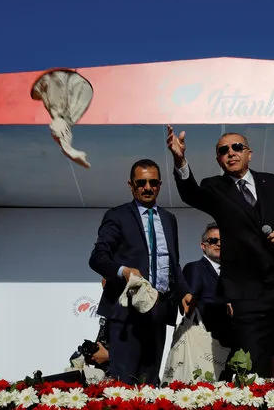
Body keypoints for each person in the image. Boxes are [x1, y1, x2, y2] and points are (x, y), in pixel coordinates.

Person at [166, 126, 274, 385]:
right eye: (223, 150)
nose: (231, 153)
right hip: (248, 293)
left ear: (249, 154)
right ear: (218, 160)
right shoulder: (214, 187)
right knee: (253, 365)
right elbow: (191, 193)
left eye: (237, 147)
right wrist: (180, 161)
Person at [89, 158, 193, 385]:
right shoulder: (117, 216)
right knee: (123, 383)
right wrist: (122, 271)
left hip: (160, 309)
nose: (148, 187)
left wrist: (184, 291)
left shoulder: (169, 219)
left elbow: (173, 263)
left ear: (160, 185)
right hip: (127, 311)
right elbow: (98, 258)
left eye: (153, 182)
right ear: (131, 185)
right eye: (141, 182)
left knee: (150, 383)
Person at [182, 222, 233, 347]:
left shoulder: (234, 273)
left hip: (233, 343)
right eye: (214, 240)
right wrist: (224, 306)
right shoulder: (195, 268)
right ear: (203, 246)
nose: (219, 244)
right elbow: (192, 306)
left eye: (223, 240)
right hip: (206, 344)